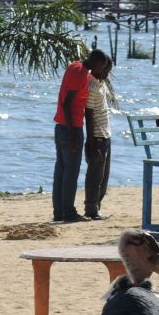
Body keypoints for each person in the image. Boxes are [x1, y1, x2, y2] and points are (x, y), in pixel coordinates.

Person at [53, 48, 112, 223]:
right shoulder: (80, 74)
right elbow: (67, 103)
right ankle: (69, 213)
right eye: (101, 66)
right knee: (71, 173)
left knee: (61, 172)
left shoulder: (74, 66)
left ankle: (59, 212)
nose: (101, 71)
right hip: (71, 128)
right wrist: (73, 132)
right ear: (95, 63)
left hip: (61, 126)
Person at [83, 63, 115, 220]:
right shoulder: (91, 86)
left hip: (106, 136)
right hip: (97, 138)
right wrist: (91, 142)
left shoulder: (100, 84)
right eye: (104, 70)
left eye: (108, 71)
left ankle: (97, 207)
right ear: (96, 67)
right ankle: (90, 208)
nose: (107, 74)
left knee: (104, 176)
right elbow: (88, 114)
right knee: (95, 176)